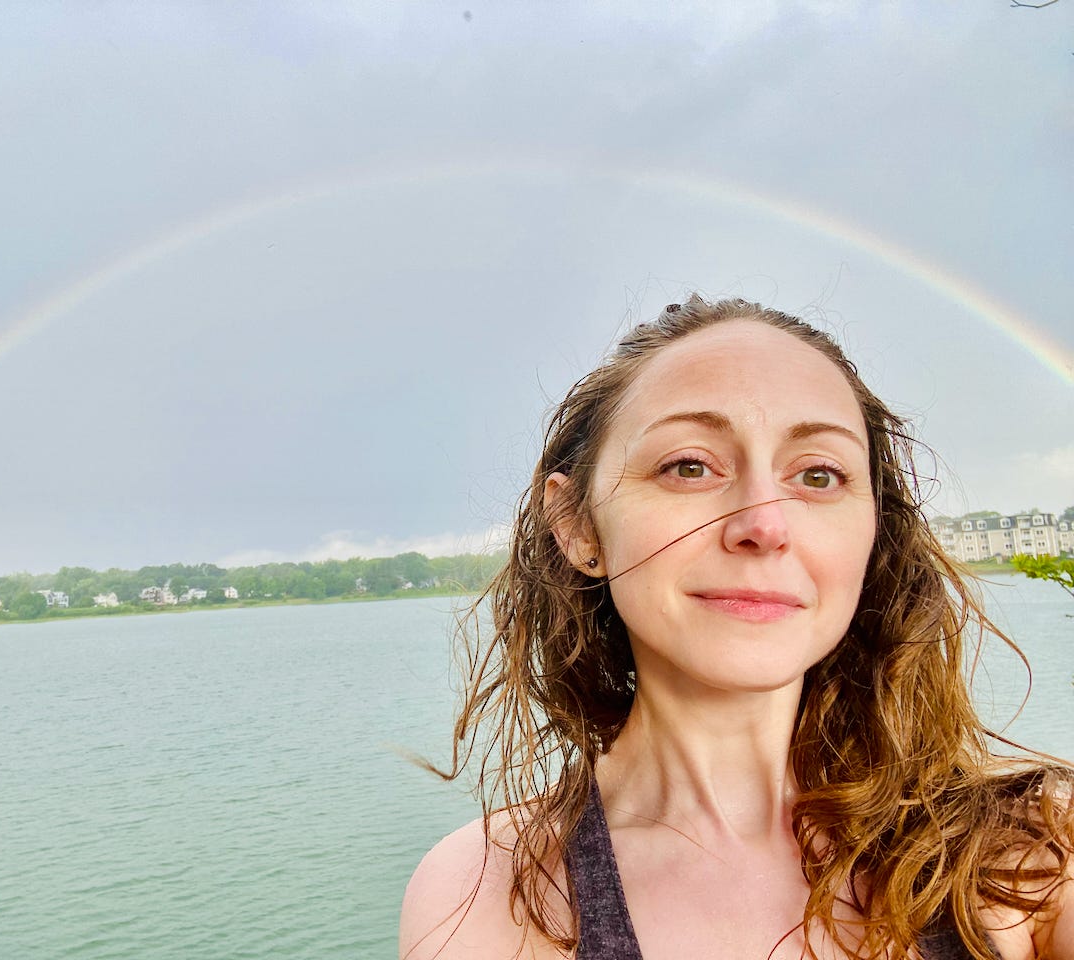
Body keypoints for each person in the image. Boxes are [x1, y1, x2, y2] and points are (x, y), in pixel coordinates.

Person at [399, 296, 1074, 960]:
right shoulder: (485, 890)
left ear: (872, 536)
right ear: (577, 525)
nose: (765, 523)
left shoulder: (1035, 853)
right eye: (689, 466)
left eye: (818, 474)